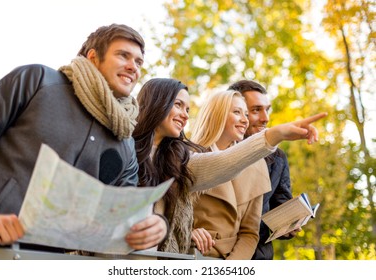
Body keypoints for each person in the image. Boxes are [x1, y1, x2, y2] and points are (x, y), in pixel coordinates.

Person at [0, 23, 167, 253]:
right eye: (124, 55)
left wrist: (156, 226)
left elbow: (122, 217)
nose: (133, 67)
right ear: (93, 57)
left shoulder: (126, 142)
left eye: (139, 62)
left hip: (53, 263)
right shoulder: (36, 81)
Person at [132, 77, 326, 254]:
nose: (184, 115)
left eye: (188, 110)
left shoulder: (177, 159)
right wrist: (187, 231)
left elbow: (225, 164)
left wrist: (275, 135)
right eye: (178, 105)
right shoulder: (127, 150)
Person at [190, 90, 271, 259]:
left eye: (246, 114)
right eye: (237, 112)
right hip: (190, 255)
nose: (245, 120)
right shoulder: (187, 156)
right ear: (217, 115)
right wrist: (188, 231)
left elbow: (249, 233)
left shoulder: (257, 164)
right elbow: (169, 214)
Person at [229, 79, 299, 260]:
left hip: (258, 257)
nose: (265, 118)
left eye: (267, 109)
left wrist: (288, 225)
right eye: (256, 110)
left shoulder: (277, 158)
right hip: (214, 255)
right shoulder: (210, 152)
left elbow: (279, 203)